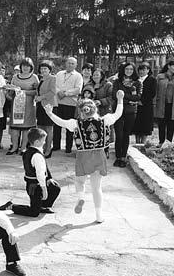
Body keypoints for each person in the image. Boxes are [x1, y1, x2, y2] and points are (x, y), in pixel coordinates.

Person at [44, 90, 125, 223]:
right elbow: (118, 114)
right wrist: (120, 99)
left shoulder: (76, 124)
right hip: (99, 155)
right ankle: (99, 216)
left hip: (83, 156)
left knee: (79, 181)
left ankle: (81, 197)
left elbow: (61, 122)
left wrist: (50, 113)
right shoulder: (105, 120)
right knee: (96, 187)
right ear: (95, 110)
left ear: (81, 112)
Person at [0, 128, 61, 217]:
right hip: (35, 187)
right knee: (34, 212)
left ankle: (43, 206)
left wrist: (49, 178)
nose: (44, 143)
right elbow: (40, 174)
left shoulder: (29, 152)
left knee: (55, 187)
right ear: (36, 142)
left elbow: (44, 169)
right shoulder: (37, 155)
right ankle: (11, 206)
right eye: (43, 141)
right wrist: (44, 190)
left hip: (33, 185)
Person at [111, 62, 142, 167]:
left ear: (134, 71)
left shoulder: (137, 83)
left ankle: (123, 157)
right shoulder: (117, 82)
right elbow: (114, 96)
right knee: (119, 134)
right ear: (123, 70)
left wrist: (123, 96)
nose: (129, 71)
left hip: (130, 112)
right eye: (127, 69)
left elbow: (137, 97)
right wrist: (128, 99)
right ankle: (118, 157)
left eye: (131, 69)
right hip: (118, 111)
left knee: (126, 134)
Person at [8, 58, 38, 155]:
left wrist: (24, 92)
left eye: (28, 66)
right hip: (16, 105)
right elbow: (11, 91)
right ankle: (14, 147)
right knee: (15, 127)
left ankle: (23, 148)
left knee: (26, 127)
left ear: (31, 67)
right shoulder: (15, 77)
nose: (25, 68)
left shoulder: (34, 77)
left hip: (28, 105)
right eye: (24, 66)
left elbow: (37, 92)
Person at [54, 57, 83, 153]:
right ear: (65, 63)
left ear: (76, 65)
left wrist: (65, 93)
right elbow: (55, 86)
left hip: (71, 104)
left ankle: (68, 147)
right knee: (57, 125)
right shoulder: (59, 74)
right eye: (68, 63)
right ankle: (56, 145)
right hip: (58, 103)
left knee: (69, 127)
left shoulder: (78, 76)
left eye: (72, 64)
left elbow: (78, 89)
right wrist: (59, 92)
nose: (70, 65)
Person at [154, 60, 174, 145]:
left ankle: (169, 142)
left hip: (173, 105)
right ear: (169, 66)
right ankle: (161, 142)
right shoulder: (160, 77)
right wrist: (154, 102)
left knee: (171, 124)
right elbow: (155, 90)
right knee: (162, 123)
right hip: (162, 103)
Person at [34, 60, 57, 157]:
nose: (43, 70)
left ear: (49, 70)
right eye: (41, 69)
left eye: (45, 69)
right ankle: (41, 148)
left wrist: (41, 97)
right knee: (40, 127)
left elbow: (53, 92)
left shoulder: (53, 78)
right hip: (40, 106)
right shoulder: (41, 79)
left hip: (49, 106)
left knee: (48, 128)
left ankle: (48, 149)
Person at [88, 68, 114, 157]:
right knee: (93, 130)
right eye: (94, 75)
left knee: (104, 131)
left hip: (104, 111)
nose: (95, 76)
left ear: (102, 76)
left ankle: (105, 150)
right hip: (91, 112)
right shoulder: (89, 84)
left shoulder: (108, 85)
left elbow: (112, 98)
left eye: (97, 75)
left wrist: (101, 101)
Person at [132, 63, 156, 144]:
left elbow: (152, 93)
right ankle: (137, 142)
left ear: (148, 70)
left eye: (144, 70)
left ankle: (143, 143)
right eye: (140, 70)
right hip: (136, 105)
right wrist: (136, 100)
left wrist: (142, 101)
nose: (142, 72)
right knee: (137, 125)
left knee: (145, 126)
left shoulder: (152, 79)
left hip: (146, 106)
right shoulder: (136, 80)